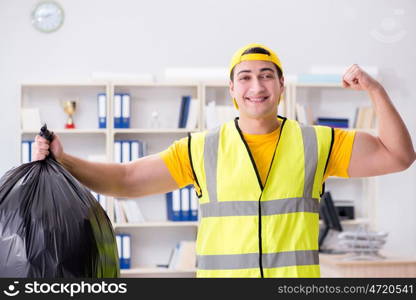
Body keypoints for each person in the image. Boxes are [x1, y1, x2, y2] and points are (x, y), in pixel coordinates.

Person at [34, 43, 415, 278]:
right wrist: (64, 160)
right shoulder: (201, 148)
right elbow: (128, 180)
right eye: (245, 77)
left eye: (267, 76)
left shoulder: (318, 141)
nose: (257, 86)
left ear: (282, 86)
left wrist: (375, 91)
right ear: (232, 89)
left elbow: (399, 155)